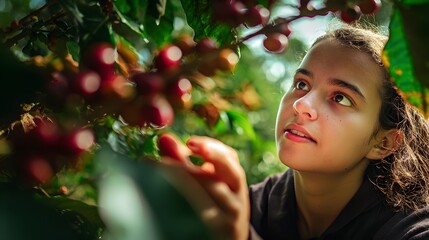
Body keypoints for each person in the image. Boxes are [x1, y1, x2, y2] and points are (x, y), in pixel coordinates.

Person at [158, 25, 429, 240]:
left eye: (341, 98)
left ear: (384, 142)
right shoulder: (246, 206)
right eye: (302, 83)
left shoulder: (410, 230)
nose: (302, 104)